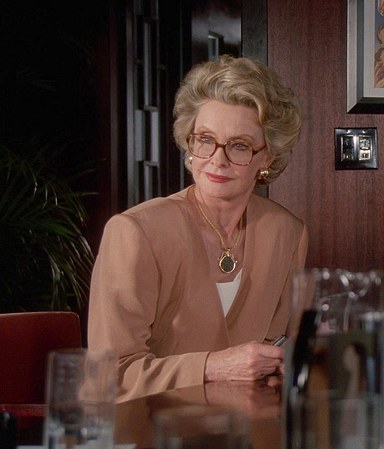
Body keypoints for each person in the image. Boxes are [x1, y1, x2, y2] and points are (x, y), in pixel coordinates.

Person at [87, 55, 308, 402]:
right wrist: (212, 367)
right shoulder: (134, 232)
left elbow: (284, 355)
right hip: (150, 424)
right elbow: (109, 377)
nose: (217, 159)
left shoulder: (287, 233)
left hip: (249, 425)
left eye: (239, 146)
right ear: (188, 144)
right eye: (205, 139)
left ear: (268, 157)